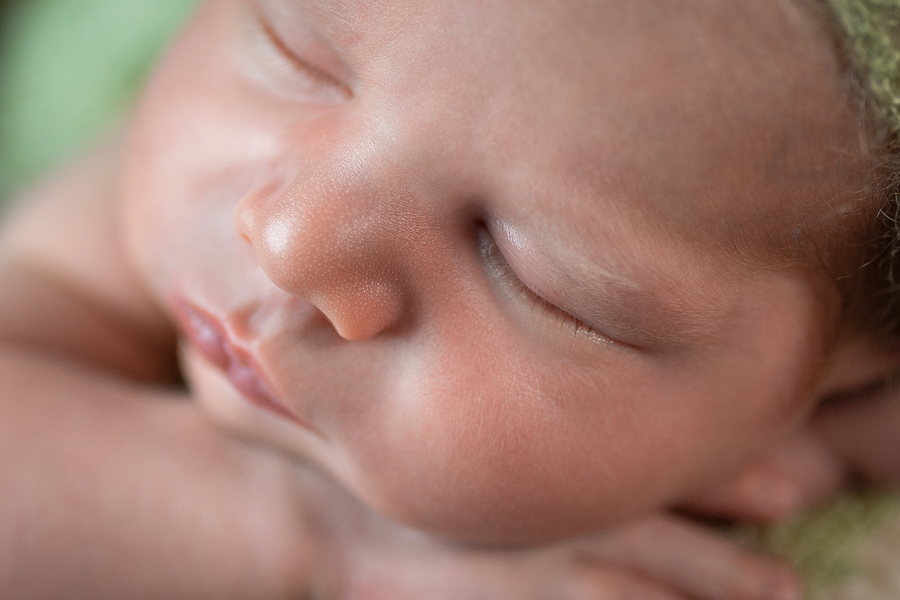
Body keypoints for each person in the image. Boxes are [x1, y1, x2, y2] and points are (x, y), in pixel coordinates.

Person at [1, 0, 899, 597]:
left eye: (530, 274)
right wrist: (311, 539)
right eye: (295, 53)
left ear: (823, 398)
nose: (290, 240)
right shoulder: (134, 191)